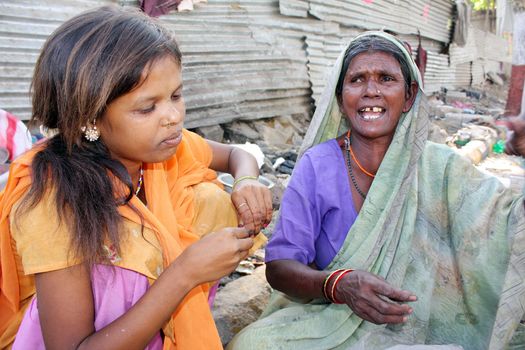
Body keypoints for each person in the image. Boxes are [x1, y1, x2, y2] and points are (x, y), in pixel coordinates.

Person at [228, 31, 525, 350]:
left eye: (386, 79)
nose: (372, 91)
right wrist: (338, 285)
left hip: (423, 329)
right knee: (251, 344)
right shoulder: (317, 166)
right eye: (357, 80)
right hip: (330, 323)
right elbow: (279, 268)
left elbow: (509, 219)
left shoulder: (441, 167)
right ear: (341, 98)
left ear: (409, 95)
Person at [0, 6, 272, 349]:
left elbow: (237, 155)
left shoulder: (162, 147)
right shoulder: (53, 200)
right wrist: (185, 274)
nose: (173, 117)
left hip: (148, 322)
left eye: (176, 95)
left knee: (205, 197)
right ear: (91, 119)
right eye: (147, 108)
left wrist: (247, 180)